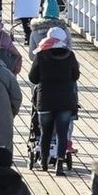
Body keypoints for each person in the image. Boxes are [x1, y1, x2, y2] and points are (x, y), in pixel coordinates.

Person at [28, 25, 80, 176]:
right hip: (65, 100)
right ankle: (59, 164)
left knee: (46, 131)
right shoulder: (70, 55)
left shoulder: (41, 55)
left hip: (45, 99)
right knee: (62, 133)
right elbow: (75, 76)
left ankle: (44, 161)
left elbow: (33, 78)